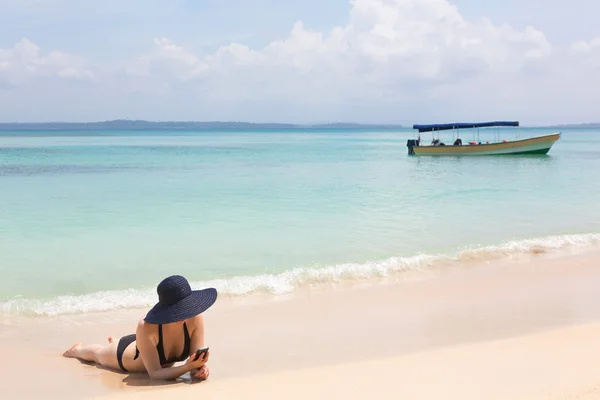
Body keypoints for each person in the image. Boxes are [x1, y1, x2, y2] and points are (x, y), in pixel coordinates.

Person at [63, 275, 218, 381]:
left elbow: (194, 362)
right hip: (124, 356)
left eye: (186, 307)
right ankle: (76, 350)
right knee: (97, 355)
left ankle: (114, 341)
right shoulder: (146, 326)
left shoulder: (195, 318)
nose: (185, 313)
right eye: (179, 309)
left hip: (143, 344)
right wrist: (187, 367)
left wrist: (199, 369)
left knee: (133, 344)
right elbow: (155, 374)